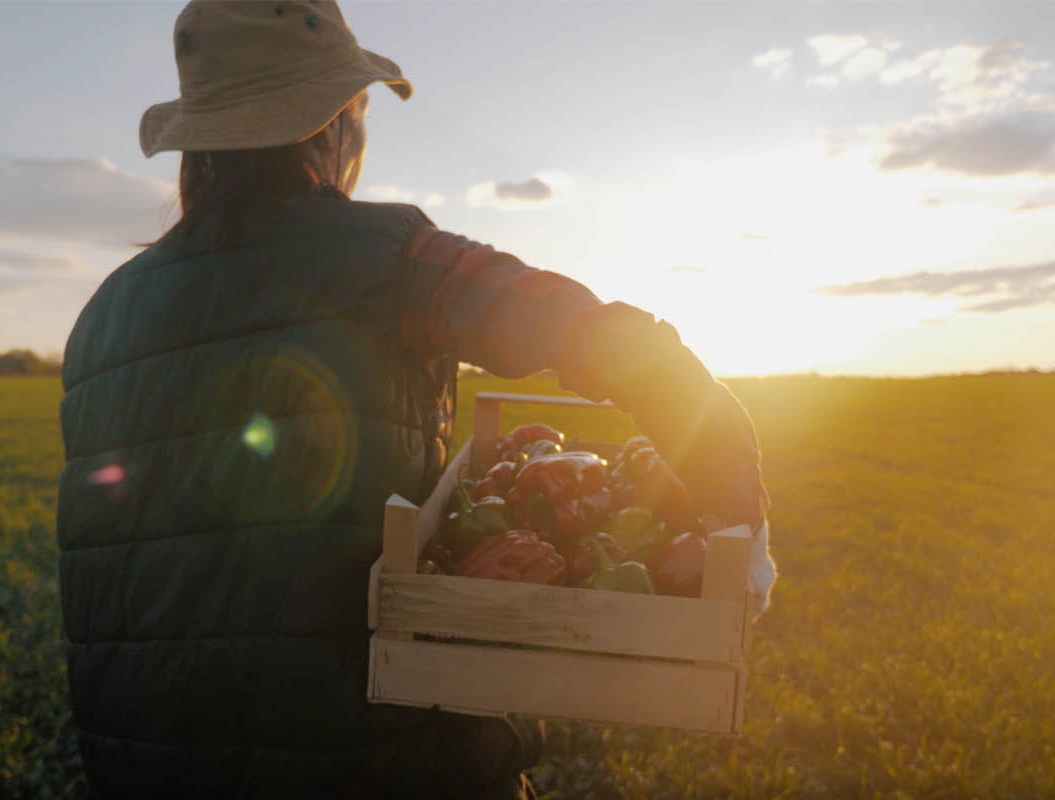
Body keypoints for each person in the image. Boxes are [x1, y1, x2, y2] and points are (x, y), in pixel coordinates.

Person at [57, 2, 768, 797]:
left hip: (140, 765)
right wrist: (743, 513)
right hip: (374, 759)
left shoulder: (102, 317)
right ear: (335, 126)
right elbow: (610, 345)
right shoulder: (395, 258)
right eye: (355, 111)